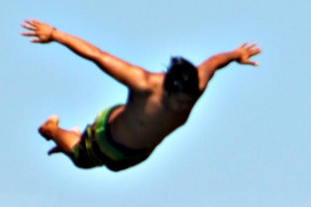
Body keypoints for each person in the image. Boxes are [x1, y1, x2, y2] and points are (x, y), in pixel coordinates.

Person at [21, 19, 260, 171]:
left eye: (189, 99)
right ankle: (52, 129)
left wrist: (237, 54)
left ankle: (74, 137)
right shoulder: (143, 83)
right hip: (109, 137)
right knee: (81, 160)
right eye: (179, 99)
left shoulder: (196, 83)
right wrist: (54, 34)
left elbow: (214, 62)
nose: (183, 105)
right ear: (166, 87)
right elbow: (97, 55)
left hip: (139, 153)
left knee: (114, 168)